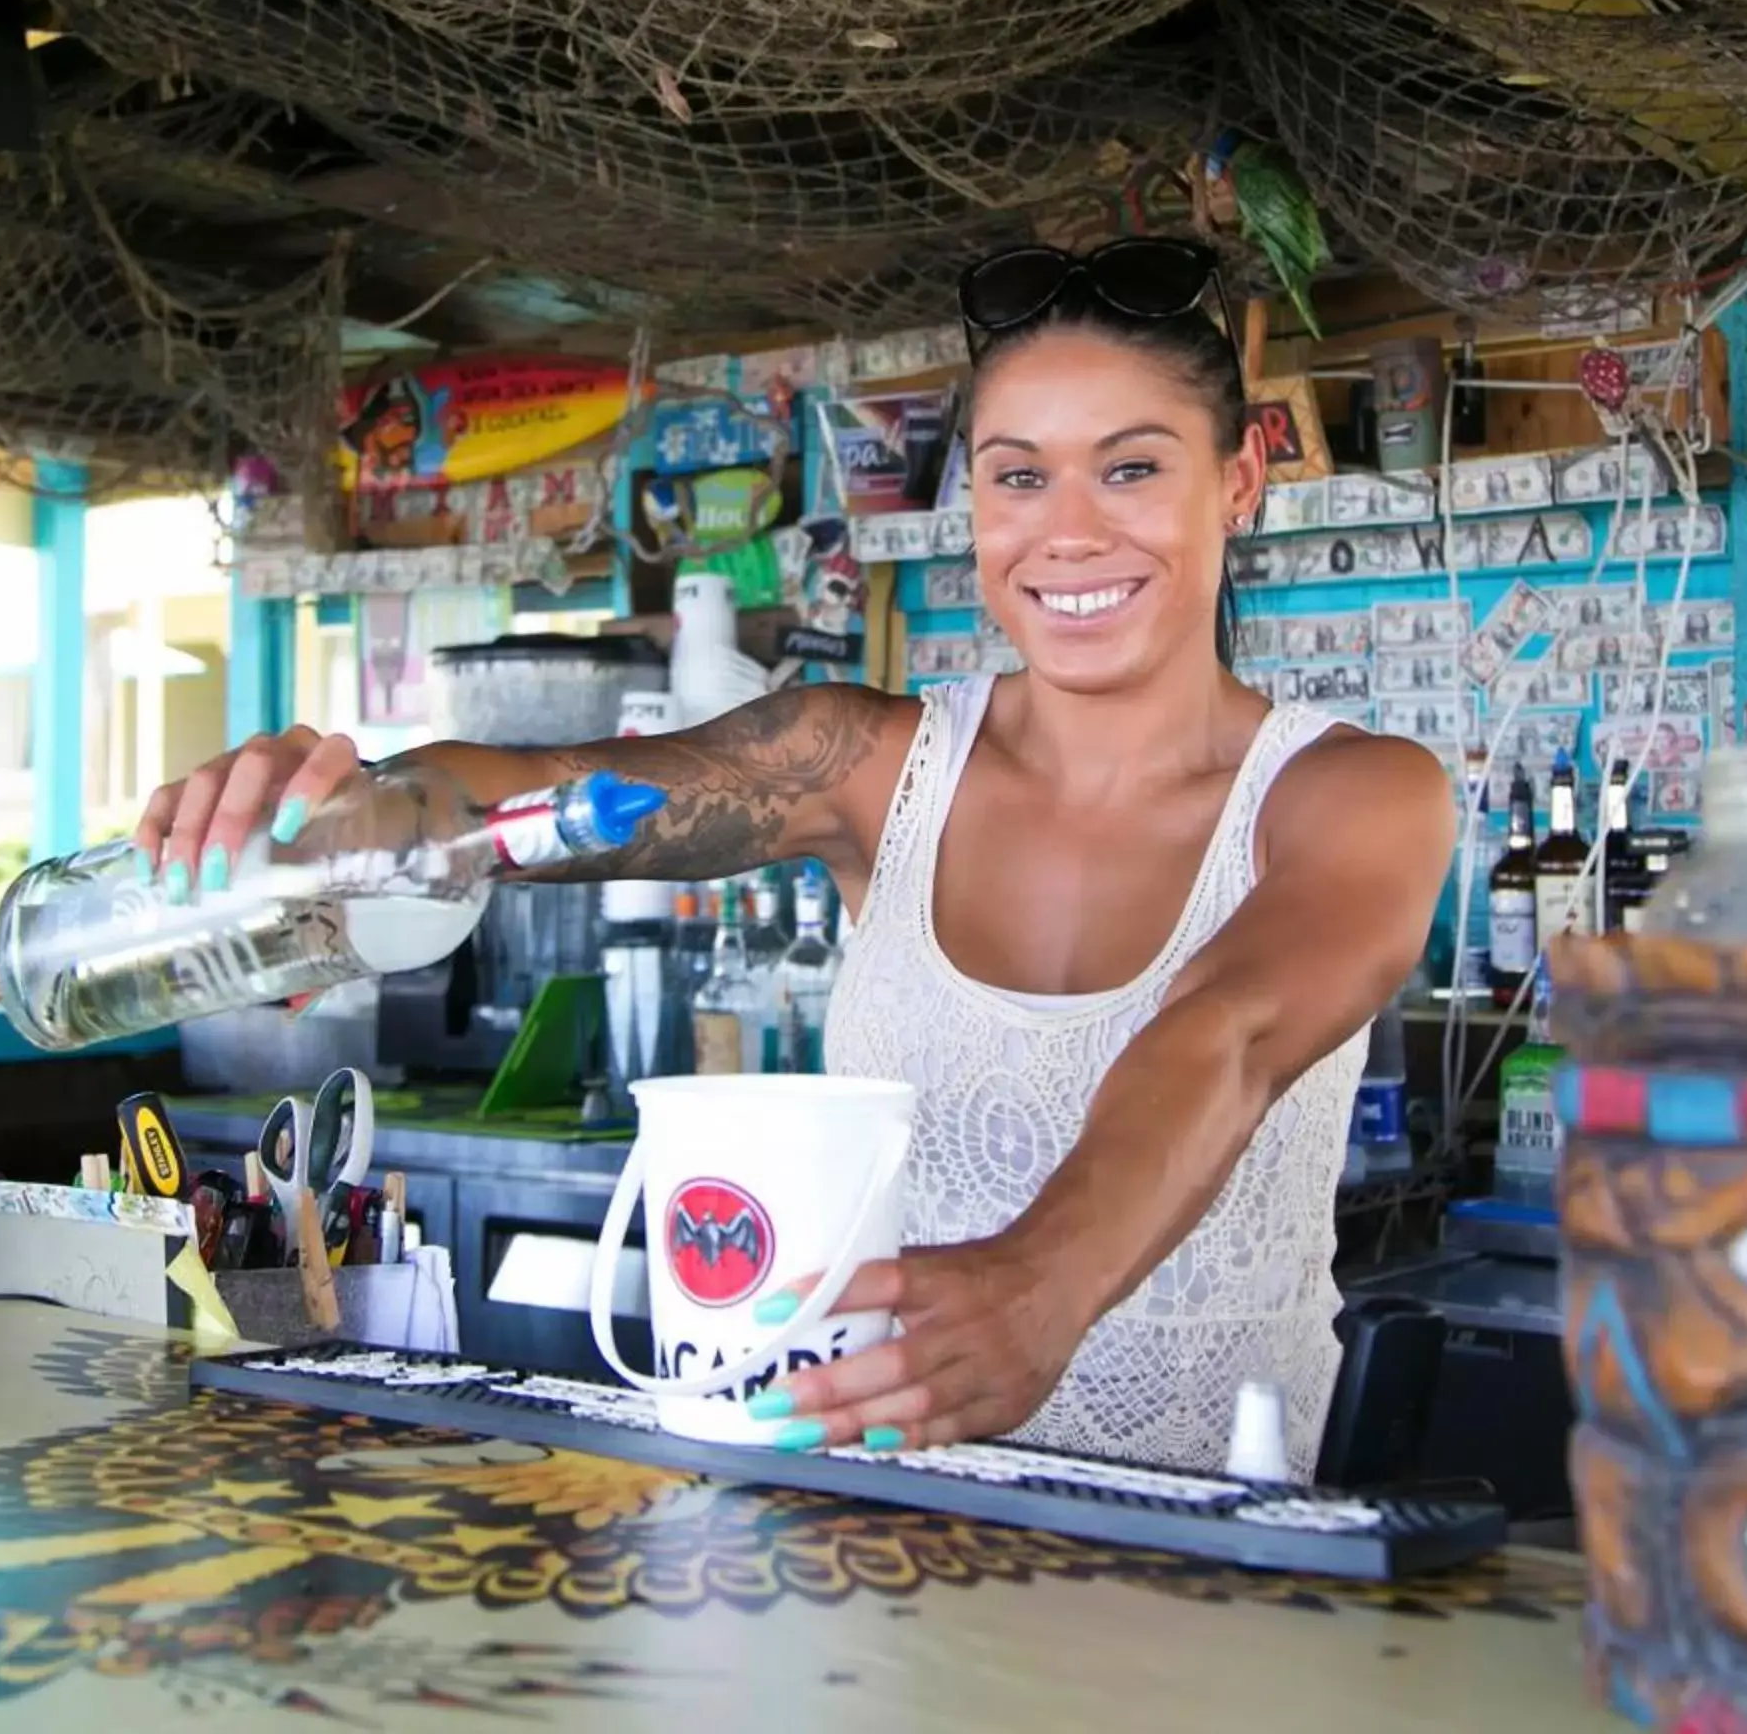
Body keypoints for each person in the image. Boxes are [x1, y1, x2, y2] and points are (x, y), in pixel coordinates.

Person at [139, 237, 1453, 1475]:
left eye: (1131, 468)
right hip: (888, 1527)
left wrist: (1041, 1280)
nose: (1068, 531)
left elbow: (1224, 1031)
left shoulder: (1353, 795)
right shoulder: (866, 766)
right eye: (1016, 474)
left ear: (1237, 483)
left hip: (1226, 1572)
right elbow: (541, 798)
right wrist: (345, 803)